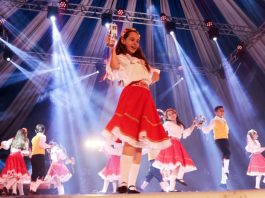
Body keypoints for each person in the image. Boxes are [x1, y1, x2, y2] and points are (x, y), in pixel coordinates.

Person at [102, 27, 171, 194]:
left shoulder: (142, 62)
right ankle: (123, 183)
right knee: (130, 139)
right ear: (123, 40)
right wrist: (111, 47)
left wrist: (153, 77)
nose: (135, 43)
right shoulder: (120, 57)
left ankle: (131, 185)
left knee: (139, 143)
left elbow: (153, 76)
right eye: (131, 39)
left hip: (145, 97)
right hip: (131, 95)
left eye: (137, 41)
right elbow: (114, 67)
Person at [153, 108, 197, 192]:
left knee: (177, 166)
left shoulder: (180, 126)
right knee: (175, 165)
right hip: (170, 144)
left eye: (173, 113)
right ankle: (174, 183)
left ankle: (172, 187)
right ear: (167, 117)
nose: (172, 115)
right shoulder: (167, 123)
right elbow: (160, 131)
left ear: (176, 114)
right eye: (169, 114)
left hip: (177, 144)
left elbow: (185, 133)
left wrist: (193, 125)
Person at [201, 105, 230, 185]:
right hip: (219, 139)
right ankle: (226, 171)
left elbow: (227, 130)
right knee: (227, 153)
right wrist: (202, 127)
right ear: (216, 112)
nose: (222, 112)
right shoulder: (214, 120)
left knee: (226, 156)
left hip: (225, 139)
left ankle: (223, 181)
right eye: (220, 110)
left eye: (223, 110)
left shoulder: (224, 120)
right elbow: (207, 130)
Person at [0, 128, 30, 195]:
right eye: (25, 132)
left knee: (14, 176)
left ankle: (14, 192)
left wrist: (2, 145)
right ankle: (7, 187)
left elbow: (6, 146)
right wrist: (26, 152)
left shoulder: (13, 139)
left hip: (11, 157)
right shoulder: (25, 140)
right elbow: (26, 152)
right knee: (17, 176)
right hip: (18, 158)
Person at [29, 124, 52, 194]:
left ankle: (31, 190)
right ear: (43, 130)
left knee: (34, 173)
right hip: (39, 155)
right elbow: (41, 145)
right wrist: (50, 146)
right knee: (42, 174)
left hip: (33, 156)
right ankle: (33, 189)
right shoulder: (42, 136)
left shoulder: (33, 138)